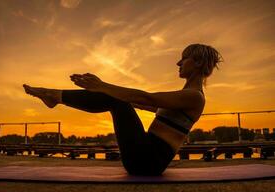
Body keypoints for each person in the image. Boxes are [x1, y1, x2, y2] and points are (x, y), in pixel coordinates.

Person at [23, 43, 223, 176]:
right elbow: (143, 103)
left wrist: (102, 86)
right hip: (146, 158)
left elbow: (145, 97)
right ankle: (55, 97)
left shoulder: (194, 96)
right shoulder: (186, 95)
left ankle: (54, 96)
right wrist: (108, 92)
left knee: (117, 100)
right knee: (117, 99)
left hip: (148, 161)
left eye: (184, 58)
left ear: (197, 63)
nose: (178, 63)